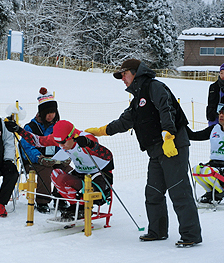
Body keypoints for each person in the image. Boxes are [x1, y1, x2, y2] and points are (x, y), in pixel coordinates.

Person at [85, 59, 202, 247]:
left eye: (123, 74)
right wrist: (101, 130)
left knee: (179, 191)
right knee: (153, 192)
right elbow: (124, 122)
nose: (122, 79)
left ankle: (191, 234)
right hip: (155, 151)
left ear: (134, 72)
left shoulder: (154, 87)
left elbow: (167, 109)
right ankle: (157, 231)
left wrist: (169, 135)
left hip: (173, 146)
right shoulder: (137, 98)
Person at [5, 119, 113, 220]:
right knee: (56, 175)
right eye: (59, 143)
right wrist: (19, 130)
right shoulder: (61, 140)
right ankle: (77, 207)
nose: (61, 146)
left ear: (72, 136)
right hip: (81, 174)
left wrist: (91, 145)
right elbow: (38, 141)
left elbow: (108, 155)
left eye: (63, 142)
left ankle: (81, 207)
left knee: (76, 185)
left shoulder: (86, 138)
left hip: (100, 177)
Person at [20, 87, 72, 214]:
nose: (51, 116)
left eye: (53, 112)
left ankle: (61, 197)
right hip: (34, 162)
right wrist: (39, 158)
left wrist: (67, 155)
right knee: (47, 171)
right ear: (41, 113)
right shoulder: (30, 127)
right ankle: (42, 201)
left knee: (68, 171)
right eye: (48, 113)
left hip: (54, 160)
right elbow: (27, 147)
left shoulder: (58, 126)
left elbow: (65, 143)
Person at [187, 104, 224, 204]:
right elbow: (194, 135)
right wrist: (179, 124)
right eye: (220, 113)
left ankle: (219, 193)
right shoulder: (214, 128)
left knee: (207, 171)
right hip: (214, 166)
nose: (221, 115)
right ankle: (210, 192)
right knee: (196, 170)